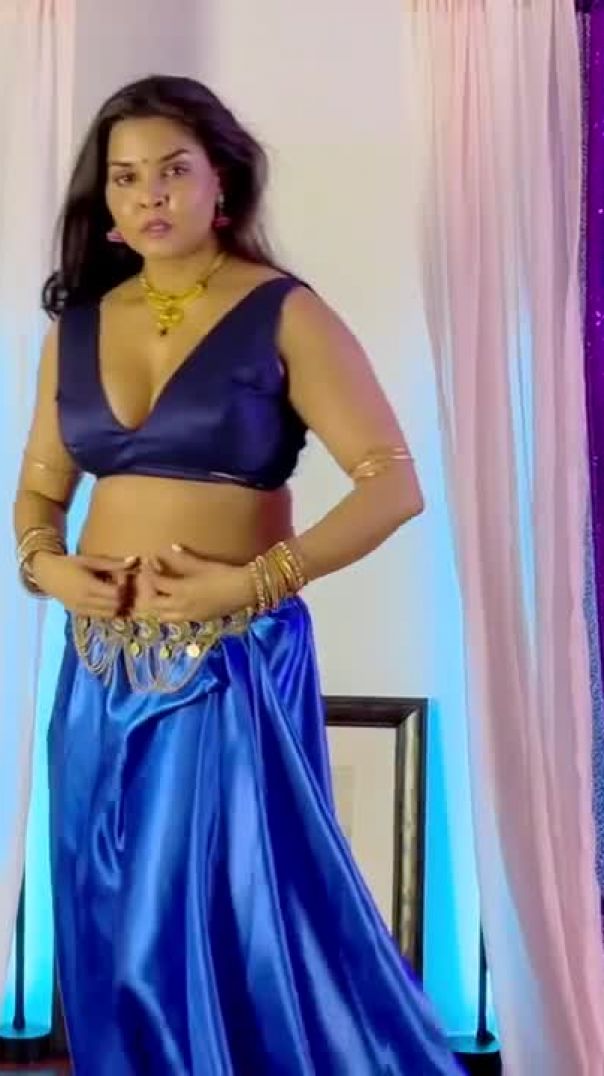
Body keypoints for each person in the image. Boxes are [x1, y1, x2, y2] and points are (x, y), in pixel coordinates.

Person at [13, 75, 460, 1075]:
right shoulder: (79, 324)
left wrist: (251, 586)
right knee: (106, 912)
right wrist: (48, 567)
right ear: (105, 200)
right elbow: (39, 493)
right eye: (126, 177)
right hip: (98, 671)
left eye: (173, 169)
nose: (149, 194)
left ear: (224, 181)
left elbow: (392, 485)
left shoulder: (283, 313)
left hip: (228, 660)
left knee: (224, 912)